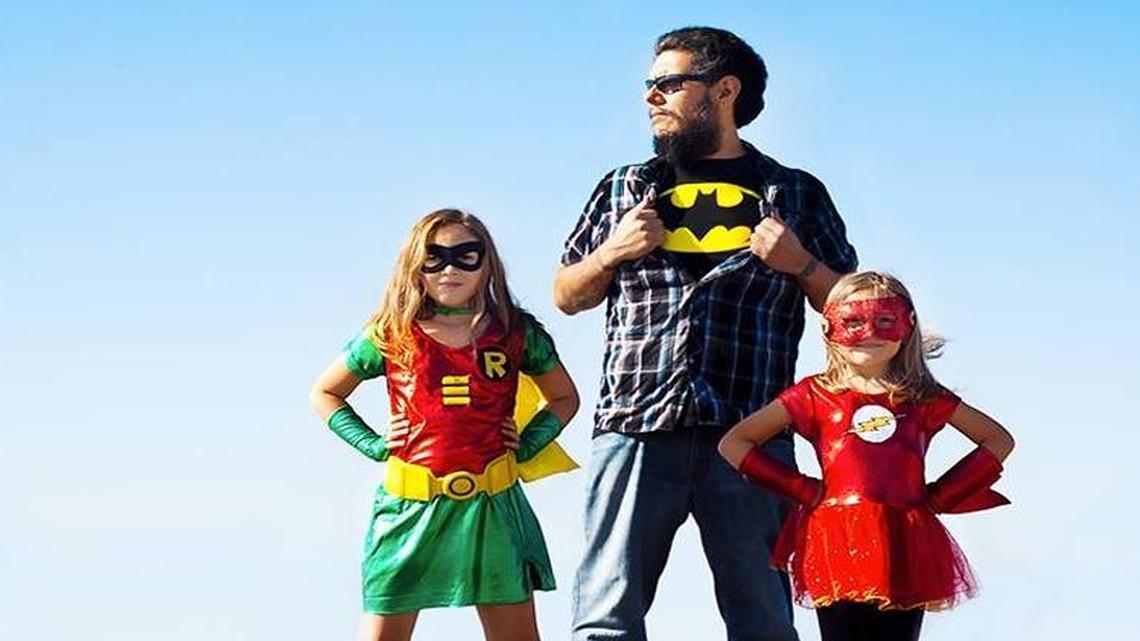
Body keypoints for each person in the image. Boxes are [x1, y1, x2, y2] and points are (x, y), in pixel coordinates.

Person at [554, 26, 857, 641]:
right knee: (605, 622)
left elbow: (853, 314)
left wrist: (800, 263)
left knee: (764, 621)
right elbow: (567, 295)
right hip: (635, 424)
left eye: (669, 84)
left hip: (751, 433)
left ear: (724, 90)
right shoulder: (622, 186)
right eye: (649, 86)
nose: (652, 98)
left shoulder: (795, 191)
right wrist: (611, 253)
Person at [310, 209, 580, 641]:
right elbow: (325, 393)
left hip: (492, 505)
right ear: (414, 263)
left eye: (465, 255)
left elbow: (565, 397)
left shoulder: (515, 332)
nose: (450, 268)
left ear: (486, 262)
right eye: (434, 257)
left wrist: (529, 443)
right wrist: (372, 443)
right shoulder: (390, 333)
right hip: (408, 507)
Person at [719, 271, 1015, 641]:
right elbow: (734, 443)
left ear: (906, 325)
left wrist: (940, 497)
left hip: (906, 538)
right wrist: (804, 491)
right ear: (829, 328)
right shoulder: (813, 395)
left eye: (884, 319)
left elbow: (997, 440)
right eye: (853, 321)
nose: (868, 333)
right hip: (834, 539)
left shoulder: (923, 397)